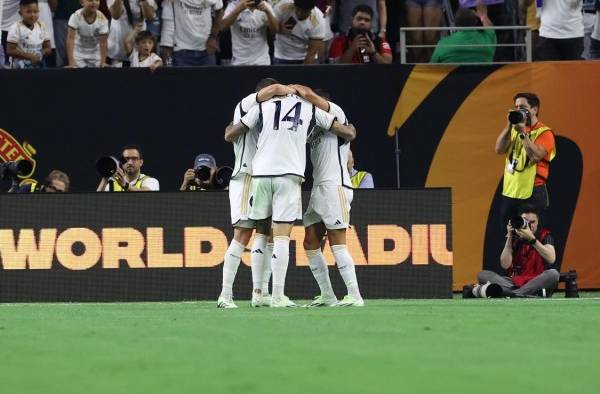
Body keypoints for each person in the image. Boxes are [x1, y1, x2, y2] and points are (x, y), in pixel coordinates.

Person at [226, 88, 355, 307]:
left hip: (260, 174)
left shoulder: (261, 106)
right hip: (289, 175)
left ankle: (258, 294)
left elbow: (231, 133)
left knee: (262, 233)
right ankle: (277, 295)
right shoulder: (311, 110)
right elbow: (348, 132)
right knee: (282, 236)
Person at [217, 79, 297, 309]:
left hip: (264, 178)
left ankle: (259, 292)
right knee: (242, 234)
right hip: (246, 177)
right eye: (274, 97)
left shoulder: (271, 117)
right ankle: (225, 295)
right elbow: (271, 90)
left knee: (267, 234)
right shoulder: (246, 105)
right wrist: (293, 91)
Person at [291, 85, 364, 307]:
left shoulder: (337, 113)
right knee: (310, 241)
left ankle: (355, 296)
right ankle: (328, 295)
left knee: (337, 242)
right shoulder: (315, 128)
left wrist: (293, 88)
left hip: (336, 187)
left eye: (314, 103)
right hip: (318, 188)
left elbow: (311, 95)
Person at [494, 93, 555, 229]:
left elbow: (535, 156)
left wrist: (523, 133)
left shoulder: (544, 132)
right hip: (510, 191)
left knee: (532, 236)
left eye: (522, 107)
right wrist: (508, 126)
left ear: (534, 110)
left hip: (533, 192)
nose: (518, 110)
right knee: (509, 235)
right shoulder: (514, 129)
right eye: (516, 107)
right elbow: (498, 149)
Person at [476, 204, 559, 297]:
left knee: (553, 274)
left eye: (533, 222)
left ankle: (512, 293)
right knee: (483, 275)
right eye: (526, 222)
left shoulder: (545, 236)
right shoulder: (514, 237)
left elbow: (551, 258)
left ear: (538, 222)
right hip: (515, 281)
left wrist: (532, 239)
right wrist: (510, 236)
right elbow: (505, 265)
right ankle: (524, 294)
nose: (529, 225)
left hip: (537, 280)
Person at [160, 0, 223, 67]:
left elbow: (220, 11)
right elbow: (168, 25)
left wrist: (213, 37)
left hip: (206, 50)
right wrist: (166, 49)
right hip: (181, 50)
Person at [430, 4, 496, 64]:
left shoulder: (443, 44)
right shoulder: (487, 39)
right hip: (483, 76)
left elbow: (432, 66)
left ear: (456, 24)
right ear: (475, 22)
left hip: (454, 77)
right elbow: (490, 29)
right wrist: (483, 16)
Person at [220, 0, 278, 66]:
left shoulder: (265, 5)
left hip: (262, 61)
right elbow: (223, 28)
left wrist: (268, 12)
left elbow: (275, 30)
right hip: (239, 62)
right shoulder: (233, 6)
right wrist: (238, 9)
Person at [272, 0, 325, 64]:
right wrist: (279, 29)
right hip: (281, 55)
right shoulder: (282, 7)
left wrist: (304, 71)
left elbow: (311, 53)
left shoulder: (318, 20)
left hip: (304, 56)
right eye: (297, 9)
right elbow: (270, 29)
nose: (299, 13)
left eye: (304, 11)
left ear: (311, 10)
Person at [107, 0, 157, 65]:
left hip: (138, 49)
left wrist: (144, 1)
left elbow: (150, 17)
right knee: (116, 74)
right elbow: (115, 15)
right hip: (117, 50)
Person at [6, 0, 52, 68]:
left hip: (38, 67)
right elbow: (10, 50)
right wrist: (30, 57)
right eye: (28, 12)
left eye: (35, 12)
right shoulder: (15, 28)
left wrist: (40, 54)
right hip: (18, 70)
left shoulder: (42, 26)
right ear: (20, 13)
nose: (33, 15)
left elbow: (48, 48)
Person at [66, 0, 110, 68]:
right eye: (90, 0)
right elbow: (70, 40)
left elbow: (103, 43)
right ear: (81, 2)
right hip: (78, 53)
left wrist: (103, 62)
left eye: (97, 0)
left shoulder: (103, 19)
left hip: (95, 53)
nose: (94, 2)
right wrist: (71, 63)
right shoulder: (75, 16)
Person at [52, 0, 80, 67]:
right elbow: (53, 5)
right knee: (61, 50)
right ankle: (60, 72)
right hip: (61, 16)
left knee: (78, 49)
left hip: (79, 16)